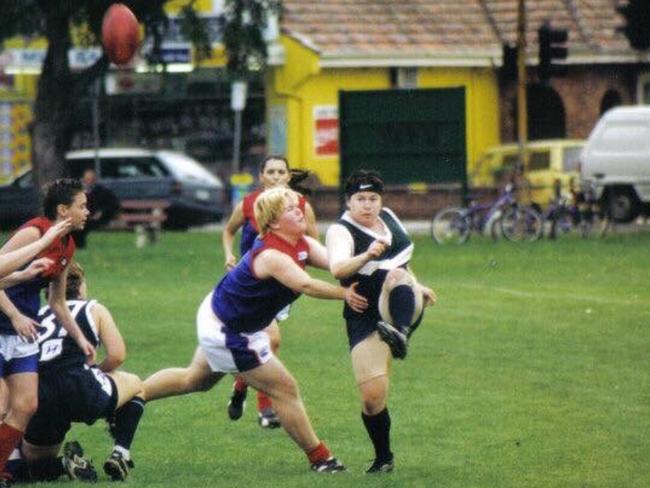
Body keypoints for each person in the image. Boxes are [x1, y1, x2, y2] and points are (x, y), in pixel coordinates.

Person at [144, 187, 368, 473]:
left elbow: (339, 267)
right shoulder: (272, 254)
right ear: (273, 222)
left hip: (223, 317)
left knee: (195, 380)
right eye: (289, 209)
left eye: (297, 204)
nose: (300, 210)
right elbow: (306, 285)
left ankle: (129, 397)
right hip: (228, 331)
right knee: (284, 388)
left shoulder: (303, 243)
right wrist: (345, 295)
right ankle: (321, 459)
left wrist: (373, 264)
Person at [325, 169, 437, 474]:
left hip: (396, 306)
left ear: (380, 200)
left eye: (373, 198)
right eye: (360, 198)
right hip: (364, 313)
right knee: (373, 398)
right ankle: (383, 457)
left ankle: (399, 334)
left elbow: (401, 266)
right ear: (348, 201)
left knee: (398, 276)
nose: (367, 204)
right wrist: (365, 256)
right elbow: (337, 268)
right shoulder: (340, 231)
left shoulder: (389, 217)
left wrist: (417, 285)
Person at [3, 261, 146, 483]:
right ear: (81, 286)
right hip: (81, 387)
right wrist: (97, 372)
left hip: (41, 394)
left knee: (32, 460)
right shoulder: (93, 308)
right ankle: (121, 453)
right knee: (136, 383)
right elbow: (117, 355)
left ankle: (63, 464)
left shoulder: (36, 315)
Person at [0, 178, 96, 487]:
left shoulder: (67, 244)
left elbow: (57, 302)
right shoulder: (35, 231)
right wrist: (14, 315)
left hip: (24, 332)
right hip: (4, 324)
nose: (88, 212)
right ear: (63, 210)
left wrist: (81, 339)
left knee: (27, 405)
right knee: (1, 405)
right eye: (82, 206)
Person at [222, 156, 319, 428]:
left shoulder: (301, 206)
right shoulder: (250, 204)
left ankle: (241, 386)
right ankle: (266, 410)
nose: (276, 176)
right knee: (271, 340)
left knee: (263, 342)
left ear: (288, 176)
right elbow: (228, 231)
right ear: (261, 176)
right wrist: (229, 254)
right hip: (251, 286)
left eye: (281, 172)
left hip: (282, 284)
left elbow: (311, 244)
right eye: (271, 172)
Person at [0, 219, 71, 282]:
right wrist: (42, 243)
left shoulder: (69, 243)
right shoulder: (33, 231)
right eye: (81, 207)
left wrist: (22, 275)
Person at [72, 168, 120, 249]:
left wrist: (101, 212)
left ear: (95, 180)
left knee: (84, 225)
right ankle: (76, 246)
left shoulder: (102, 192)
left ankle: (80, 245)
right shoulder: (79, 192)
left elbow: (112, 204)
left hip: (98, 218)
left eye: (91, 179)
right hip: (83, 217)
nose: (89, 181)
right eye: (87, 179)